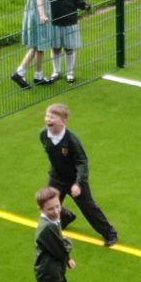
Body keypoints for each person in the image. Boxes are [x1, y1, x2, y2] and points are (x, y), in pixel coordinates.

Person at [38, 103, 117, 246]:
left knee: (89, 208)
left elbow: (82, 161)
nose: (48, 119)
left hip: (75, 180)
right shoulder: (43, 135)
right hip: (56, 178)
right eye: (47, 116)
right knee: (48, 203)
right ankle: (66, 217)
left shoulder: (72, 140)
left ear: (63, 121)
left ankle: (110, 233)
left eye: (52, 117)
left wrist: (79, 183)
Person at [11, 0, 55, 89]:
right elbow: (39, 0)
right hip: (38, 17)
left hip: (31, 14)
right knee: (39, 46)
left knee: (37, 46)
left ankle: (37, 75)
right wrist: (42, 15)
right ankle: (22, 72)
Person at [47, 0, 87, 85]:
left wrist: (85, 5)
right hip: (55, 22)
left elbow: (79, 2)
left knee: (69, 48)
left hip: (70, 22)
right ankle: (56, 71)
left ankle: (70, 72)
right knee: (56, 48)